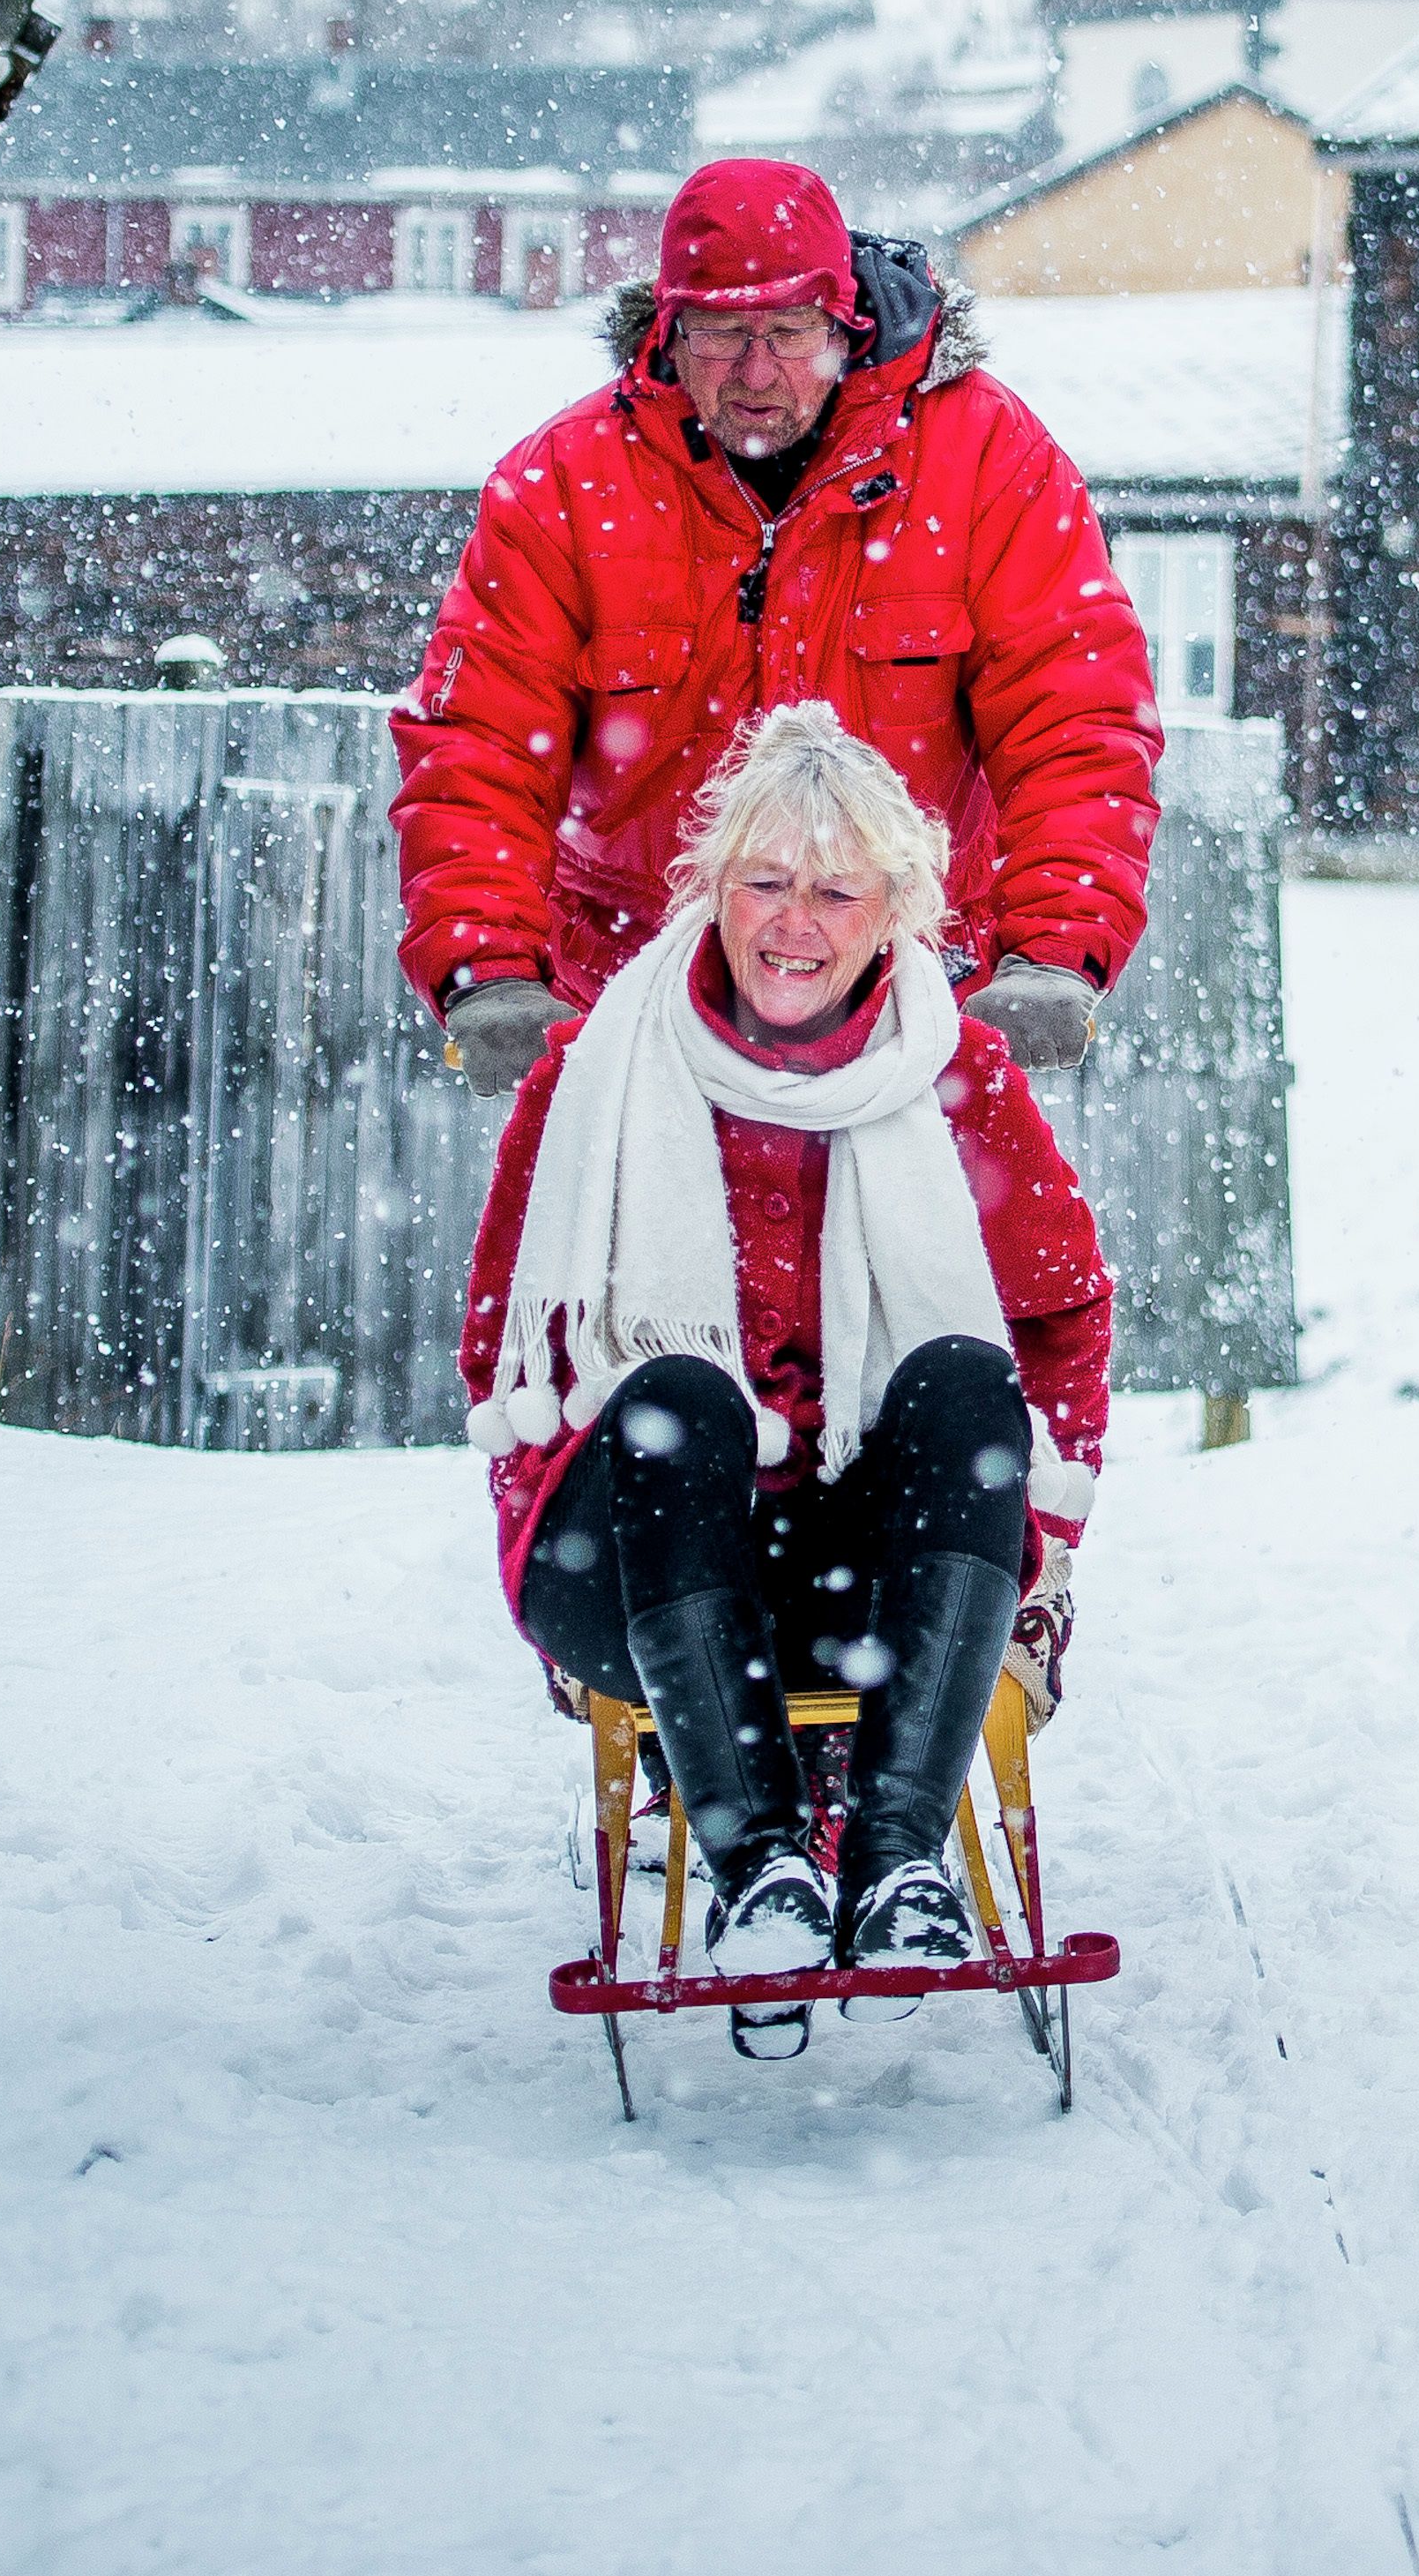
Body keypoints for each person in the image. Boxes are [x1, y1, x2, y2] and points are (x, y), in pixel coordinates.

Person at [460, 704, 1109, 1981]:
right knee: (677, 1397)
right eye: (763, 882)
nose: (793, 924)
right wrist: (539, 1491)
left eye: (833, 891)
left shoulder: (958, 1073)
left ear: (894, 912)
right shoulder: (599, 1068)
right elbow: (504, 1341)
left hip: (879, 1572)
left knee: (973, 1373)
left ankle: (898, 1859)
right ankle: (758, 1864)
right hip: (638, 1557)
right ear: (711, 889)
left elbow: (1060, 1326)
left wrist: (1048, 1552)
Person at [392, 154, 1160, 1096]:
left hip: (912, 1017)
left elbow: (1075, 718)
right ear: (667, 331)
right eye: (721, 335)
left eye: (792, 332)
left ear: (847, 325)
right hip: (636, 1021)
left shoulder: (989, 461)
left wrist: (1054, 953)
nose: (758, 373)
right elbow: (479, 744)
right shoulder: (560, 487)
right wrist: (491, 970)